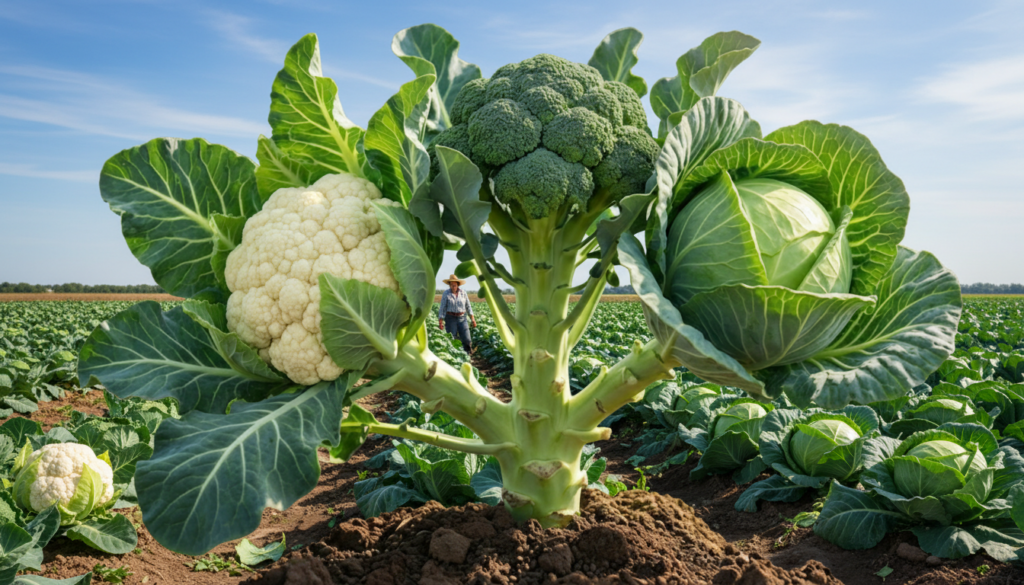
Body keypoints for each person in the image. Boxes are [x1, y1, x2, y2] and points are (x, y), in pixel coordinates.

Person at [438, 274, 476, 353]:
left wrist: (472, 319)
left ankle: (468, 355)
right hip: (450, 318)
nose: (453, 285)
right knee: (453, 339)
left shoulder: (463, 293)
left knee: (467, 339)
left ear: (458, 284)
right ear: (449, 284)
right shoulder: (446, 294)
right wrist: (440, 321)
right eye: (451, 283)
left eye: (454, 283)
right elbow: (442, 307)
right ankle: (454, 356)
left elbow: (468, 306)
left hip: (462, 318)